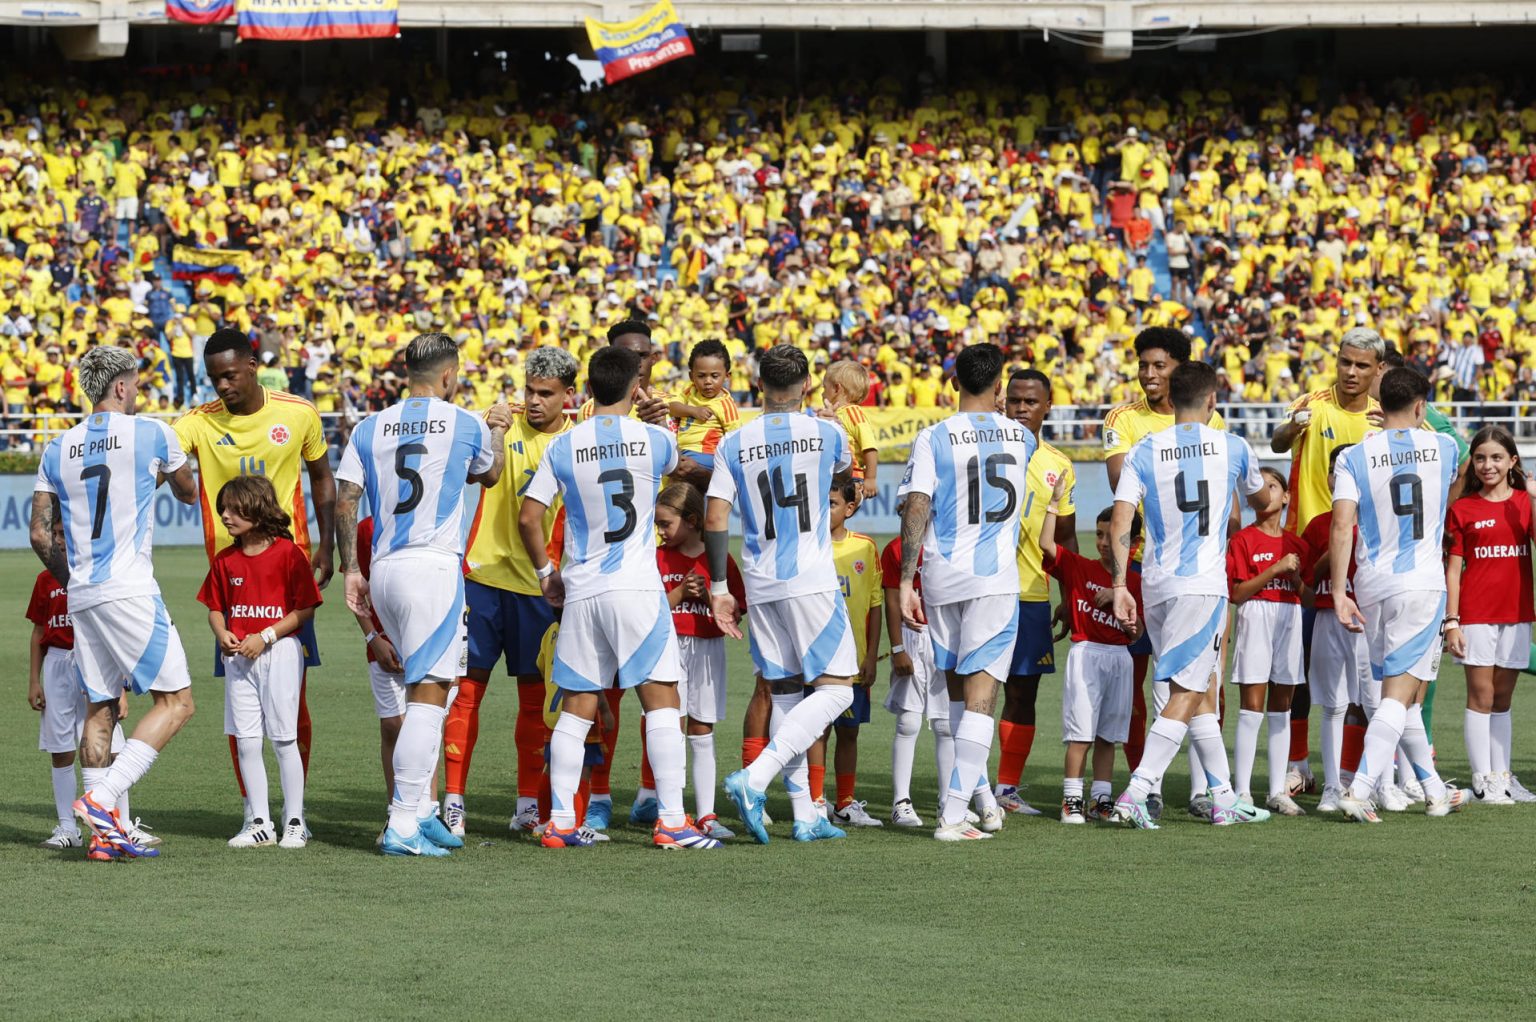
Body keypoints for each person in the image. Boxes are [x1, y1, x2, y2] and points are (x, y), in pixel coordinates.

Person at [518, 344, 718, 851]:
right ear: (635, 388)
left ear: (585, 391)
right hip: (635, 586)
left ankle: (561, 823)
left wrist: (546, 573)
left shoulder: (563, 445)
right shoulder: (653, 440)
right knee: (662, 702)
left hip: (583, 589)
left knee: (577, 706)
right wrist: (660, 418)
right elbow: (692, 467)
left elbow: (529, 516)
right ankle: (672, 821)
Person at [335, 332, 511, 857]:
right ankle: (403, 822)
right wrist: (498, 428)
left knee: (436, 690)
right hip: (433, 567)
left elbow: (346, 501)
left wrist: (351, 569)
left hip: (384, 567)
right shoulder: (465, 423)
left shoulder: (370, 426)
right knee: (429, 698)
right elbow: (493, 472)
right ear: (450, 375)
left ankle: (424, 813)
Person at [31, 345, 199, 860]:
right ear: (122, 387)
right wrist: (179, 469)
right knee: (178, 702)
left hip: (82, 596)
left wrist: (74, 578)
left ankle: (104, 840)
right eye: (137, 384)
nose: (139, 392)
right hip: (130, 589)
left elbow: (40, 534)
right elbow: (189, 493)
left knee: (100, 708)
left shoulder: (57, 447)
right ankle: (102, 801)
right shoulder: (152, 432)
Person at [175, 327, 336, 832]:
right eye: (213, 378)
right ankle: (254, 810)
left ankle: (295, 813)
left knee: (292, 700)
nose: (221, 386)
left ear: (250, 366)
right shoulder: (196, 424)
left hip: (288, 571)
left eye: (228, 375)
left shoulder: (297, 412)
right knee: (238, 706)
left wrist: (327, 547)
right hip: (230, 577)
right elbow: (169, 469)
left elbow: (322, 478)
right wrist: (182, 478)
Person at [1107, 360, 1270, 829]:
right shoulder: (1233, 446)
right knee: (1190, 689)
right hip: (1201, 585)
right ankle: (1138, 790)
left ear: (1172, 400)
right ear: (1213, 400)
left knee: (1199, 689)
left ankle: (1222, 795)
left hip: (1157, 583)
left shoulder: (1143, 449)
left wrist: (1120, 584)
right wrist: (1266, 500)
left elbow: (1122, 520)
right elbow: (1261, 499)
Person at [710, 343, 858, 845]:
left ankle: (804, 814)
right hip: (811, 577)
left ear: (757, 386)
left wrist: (717, 587)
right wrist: (827, 416)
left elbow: (715, 518)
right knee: (838, 688)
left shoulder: (732, 443)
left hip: (760, 577)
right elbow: (846, 466)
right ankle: (755, 778)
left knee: (788, 693)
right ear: (808, 386)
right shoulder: (827, 432)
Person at [898, 342, 1036, 842]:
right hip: (993, 578)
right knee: (982, 698)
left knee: (957, 689)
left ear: (954, 382)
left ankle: (977, 801)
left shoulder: (932, 437)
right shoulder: (1022, 438)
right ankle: (954, 815)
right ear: (1000, 386)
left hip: (940, 573)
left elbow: (916, 505)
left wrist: (905, 577)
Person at [446, 346, 578, 837]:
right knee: (464, 697)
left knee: (533, 703)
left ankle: (526, 804)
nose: (535, 401)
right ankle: (454, 801)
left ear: (569, 395)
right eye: (530, 390)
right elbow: (470, 466)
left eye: (546, 393)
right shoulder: (499, 425)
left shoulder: (577, 442)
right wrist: (492, 424)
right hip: (480, 580)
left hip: (541, 590)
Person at [1331, 366, 1466, 822]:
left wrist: (1337, 590)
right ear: (1421, 406)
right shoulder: (1441, 446)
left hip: (1371, 585)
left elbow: (1342, 524)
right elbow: (1461, 460)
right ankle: (1361, 787)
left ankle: (1432, 789)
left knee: (1401, 692)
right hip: (1422, 584)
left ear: (1376, 405)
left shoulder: (1353, 456)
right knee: (1397, 694)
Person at [1100, 327, 1227, 804]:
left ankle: (1210, 791)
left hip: (1191, 566)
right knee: (1165, 678)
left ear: (1182, 372)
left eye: (1160, 366)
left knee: (1201, 680)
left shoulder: (1209, 426)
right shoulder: (1124, 420)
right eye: (1144, 365)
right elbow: (1123, 492)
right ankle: (1145, 787)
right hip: (1141, 563)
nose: (1149, 375)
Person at [1269, 326, 1384, 794]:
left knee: (1365, 676)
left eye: (1362, 366)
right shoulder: (1312, 403)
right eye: (1345, 362)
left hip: (1365, 557)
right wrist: (1286, 429)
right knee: (1295, 670)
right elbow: (1278, 443)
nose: (1351, 372)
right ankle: (1299, 764)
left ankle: (1355, 771)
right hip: (1304, 548)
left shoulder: (1383, 419)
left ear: (1378, 370)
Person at [197, 475, 323, 849]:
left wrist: (266, 636)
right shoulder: (225, 560)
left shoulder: (288, 554)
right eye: (222, 509)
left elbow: (305, 609)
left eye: (233, 509)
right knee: (247, 742)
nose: (225, 516)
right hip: (239, 659)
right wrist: (222, 634)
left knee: (284, 739)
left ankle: (295, 820)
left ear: (256, 508)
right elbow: (215, 608)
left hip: (280, 652)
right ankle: (260, 822)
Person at [997, 367, 1077, 815]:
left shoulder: (1059, 464)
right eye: (1015, 401)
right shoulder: (984, 449)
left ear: (1048, 406)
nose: (1022, 409)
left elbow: (1064, 537)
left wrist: (1070, 593)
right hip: (982, 591)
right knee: (970, 690)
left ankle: (1005, 789)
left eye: (1031, 402)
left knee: (1022, 693)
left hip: (1030, 593)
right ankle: (966, 784)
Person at [26, 538, 139, 850]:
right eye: (55, 532)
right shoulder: (45, 579)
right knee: (61, 748)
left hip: (96, 662)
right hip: (57, 664)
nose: (60, 539)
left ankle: (122, 824)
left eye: (66, 531)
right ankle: (67, 828)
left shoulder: (98, 575)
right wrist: (34, 681)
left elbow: (113, 634)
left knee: (112, 746)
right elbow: (38, 633)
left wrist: (121, 688)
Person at [1445, 426, 1536, 804]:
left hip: (1517, 613)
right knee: (1480, 695)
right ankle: (1483, 781)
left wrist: (1532, 497)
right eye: (1480, 458)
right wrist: (1452, 620)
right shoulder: (1462, 508)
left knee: (1503, 698)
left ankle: (1503, 775)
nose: (1487, 465)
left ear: (1512, 461)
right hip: (1476, 614)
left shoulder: (1524, 503)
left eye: (1497, 457)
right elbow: (1453, 568)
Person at [1040, 497, 1142, 824]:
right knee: (1080, 733)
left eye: (1110, 535)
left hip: (1120, 659)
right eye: (1098, 535)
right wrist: (1054, 506)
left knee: (1108, 735)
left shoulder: (1138, 583)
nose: (1102, 543)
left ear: (1132, 542)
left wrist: (1122, 602)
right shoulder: (1079, 567)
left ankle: (1101, 800)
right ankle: (1072, 800)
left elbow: (1138, 634)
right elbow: (1045, 543)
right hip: (1086, 655)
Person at [655, 480, 745, 840]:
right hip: (668, 646)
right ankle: (672, 812)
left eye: (666, 523)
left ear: (692, 520)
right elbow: (648, 613)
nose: (660, 532)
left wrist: (710, 597)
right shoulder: (657, 557)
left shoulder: (718, 559)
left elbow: (736, 611)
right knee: (669, 726)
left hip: (707, 648)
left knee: (702, 726)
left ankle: (707, 815)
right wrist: (679, 591)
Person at [1226, 467, 1309, 816]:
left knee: (1282, 707)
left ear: (1287, 496)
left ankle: (1277, 790)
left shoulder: (1296, 544)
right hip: (1256, 617)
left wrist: (1295, 579)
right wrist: (1274, 570)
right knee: (1251, 706)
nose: (1265, 492)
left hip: (1288, 617)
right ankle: (1242, 791)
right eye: (1258, 487)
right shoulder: (1243, 540)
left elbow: (1308, 598)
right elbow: (1238, 593)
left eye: (1272, 486)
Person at [1298, 448, 1372, 812]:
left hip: (1370, 621)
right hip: (1329, 616)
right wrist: (1335, 548)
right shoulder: (1317, 526)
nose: (1335, 477)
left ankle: (1375, 783)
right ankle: (1331, 786)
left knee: (1375, 704)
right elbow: (1308, 586)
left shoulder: (1378, 520)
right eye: (1331, 471)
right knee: (1333, 706)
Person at [822, 470, 884, 827]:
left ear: (849, 507)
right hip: (818, 658)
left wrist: (871, 655)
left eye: (831, 504)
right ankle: (815, 799)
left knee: (849, 731)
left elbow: (874, 603)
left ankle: (845, 803)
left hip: (854, 660)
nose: (824, 510)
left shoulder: (864, 547)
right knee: (818, 730)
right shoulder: (808, 545)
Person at [879, 518, 940, 828]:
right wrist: (897, 647)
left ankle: (949, 801)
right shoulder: (894, 549)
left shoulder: (950, 545)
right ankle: (900, 801)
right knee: (909, 721)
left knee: (946, 724)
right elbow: (891, 601)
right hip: (912, 637)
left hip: (945, 637)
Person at [355, 516, 405, 810]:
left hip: (427, 643)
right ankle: (395, 811)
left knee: (425, 727)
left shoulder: (435, 518)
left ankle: (427, 810)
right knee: (392, 726)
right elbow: (356, 588)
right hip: (383, 645)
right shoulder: (367, 528)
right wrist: (373, 638)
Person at [670, 338, 741, 473]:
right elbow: (672, 407)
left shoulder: (726, 405)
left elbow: (735, 439)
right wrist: (693, 411)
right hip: (681, 451)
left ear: (727, 376)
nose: (708, 381)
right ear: (691, 376)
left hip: (707, 456)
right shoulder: (690, 390)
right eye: (701, 376)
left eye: (715, 376)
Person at [822, 360, 881, 500]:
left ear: (837, 388)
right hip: (837, 477)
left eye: (824, 388)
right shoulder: (835, 413)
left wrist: (870, 478)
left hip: (852, 479)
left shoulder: (853, 412)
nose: (822, 394)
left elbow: (870, 447)